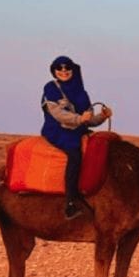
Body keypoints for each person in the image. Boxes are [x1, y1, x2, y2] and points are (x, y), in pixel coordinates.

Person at [40, 55, 112, 220]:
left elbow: (90, 119)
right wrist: (80, 119)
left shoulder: (81, 92)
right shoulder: (51, 88)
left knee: (102, 148)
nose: (64, 71)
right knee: (75, 155)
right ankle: (70, 203)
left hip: (79, 130)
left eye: (67, 68)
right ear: (54, 71)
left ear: (73, 70)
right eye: (59, 68)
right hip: (59, 131)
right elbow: (58, 114)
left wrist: (102, 116)